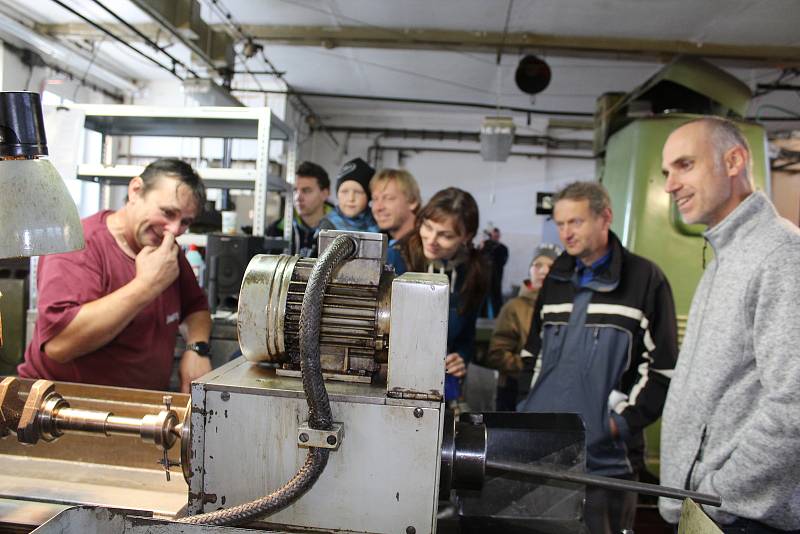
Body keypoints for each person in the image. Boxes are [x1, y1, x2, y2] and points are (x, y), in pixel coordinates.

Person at [659, 117, 800, 533]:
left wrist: (718, 494)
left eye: (684, 165)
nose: (669, 185)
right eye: (667, 171)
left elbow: (795, 402)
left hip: (741, 520)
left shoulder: (781, 255)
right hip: (710, 513)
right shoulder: (724, 257)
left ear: (733, 160)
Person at [517, 181, 678, 534]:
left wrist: (618, 424)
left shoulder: (645, 279)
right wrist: (527, 409)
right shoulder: (555, 279)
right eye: (560, 224)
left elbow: (662, 367)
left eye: (575, 222)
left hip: (607, 462)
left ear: (605, 217)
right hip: (543, 452)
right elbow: (533, 354)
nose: (566, 234)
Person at [18, 158, 212, 393]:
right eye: (167, 212)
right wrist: (146, 285)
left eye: (185, 222)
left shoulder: (165, 250)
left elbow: (196, 306)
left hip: (138, 412)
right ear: (135, 191)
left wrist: (197, 348)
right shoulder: (78, 245)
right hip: (64, 409)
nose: (174, 230)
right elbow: (59, 344)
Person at [394, 187, 488, 406]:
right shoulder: (397, 258)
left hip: (442, 386)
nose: (432, 239)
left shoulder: (474, 274)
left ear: (467, 237)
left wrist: (461, 358)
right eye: (427, 227)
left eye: (446, 235)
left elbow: (466, 336)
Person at [485, 243, 560, 411]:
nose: (543, 271)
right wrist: (531, 368)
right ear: (530, 270)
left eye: (550, 266)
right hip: (514, 390)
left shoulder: (562, 310)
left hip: (551, 393)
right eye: (537, 265)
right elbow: (496, 354)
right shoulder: (514, 307)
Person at [267, 161, 332, 257]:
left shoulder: (339, 230)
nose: (297, 197)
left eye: (306, 191)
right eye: (295, 190)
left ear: (324, 194)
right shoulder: (276, 230)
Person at [318, 157, 380, 233]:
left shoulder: (380, 221)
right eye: (344, 192)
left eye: (358, 192)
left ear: (369, 196)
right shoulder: (328, 226)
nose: (351, 198)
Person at [370, 168, 422, 244]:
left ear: (412, 201)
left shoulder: (428, 247)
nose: (378, 208)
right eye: (375, 199)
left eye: (389, 198)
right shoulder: (377, 242)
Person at [480, 226, 509, 318]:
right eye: (493, 235)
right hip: (484, 276)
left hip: (496, 276)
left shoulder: (503, 248)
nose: (495, 237)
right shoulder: (484, 245)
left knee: (496, 296)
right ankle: (481, 316)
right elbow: (479, 258)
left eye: (497, 236)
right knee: (482, 297)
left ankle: (498, 316)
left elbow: (503, 262)